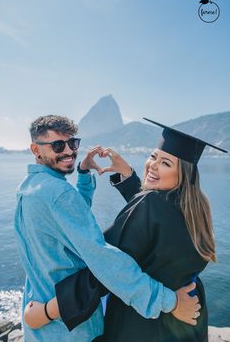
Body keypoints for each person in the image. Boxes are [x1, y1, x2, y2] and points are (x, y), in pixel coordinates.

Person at [24, 117, 227, 342]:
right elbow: (157, 224)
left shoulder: (150, 205)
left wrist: (46, 312)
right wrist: (128, 175)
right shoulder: (196, 208)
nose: (153, 165)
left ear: (183, 174)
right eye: (153, 157)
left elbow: (105, 265)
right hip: (190, 320)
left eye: (166, 163)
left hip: (147, 325)